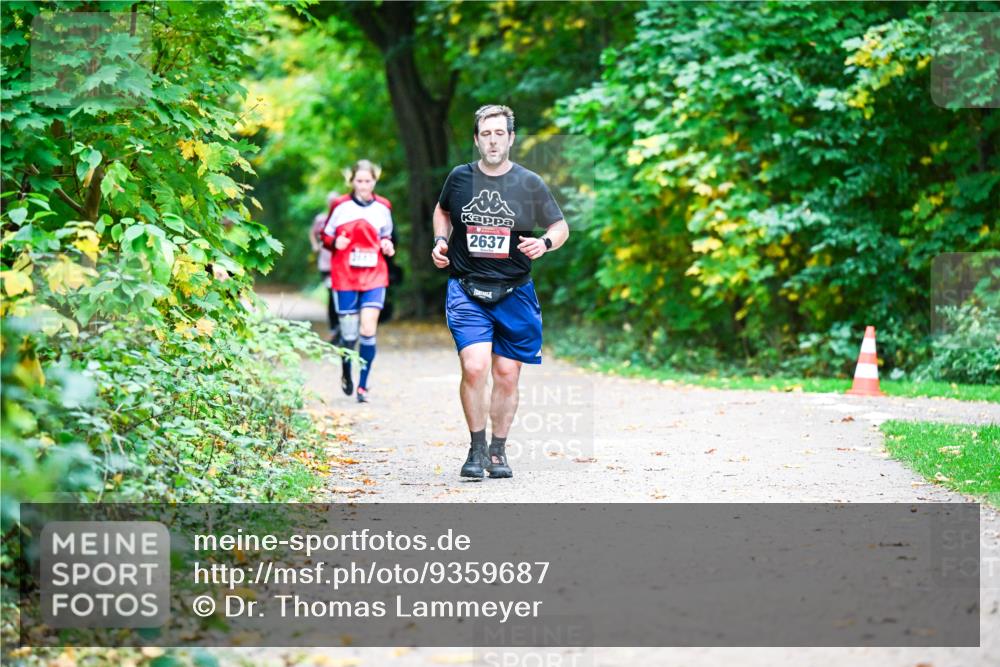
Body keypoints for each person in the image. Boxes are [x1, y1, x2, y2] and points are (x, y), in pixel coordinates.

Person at [431, 104, 569, 479]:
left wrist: (545, 244)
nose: (492, 140)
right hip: (467, 288)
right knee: (474, 367)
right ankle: (475, 450)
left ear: (510, 138)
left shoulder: (529, 183)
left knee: (506, 373)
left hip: (515, 292)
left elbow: (559, 226)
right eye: (485, 134)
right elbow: (441, 211)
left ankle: (497, 450)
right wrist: (441, 241)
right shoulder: (460, 178)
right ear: (477, 141)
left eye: (499, 133)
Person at [322, 160, 395, 403]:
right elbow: (325, 235)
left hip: (375, 274)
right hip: (345, 275)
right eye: (359, 181)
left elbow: (387, 235)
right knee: (349, 333)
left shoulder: (383, 206)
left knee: (368, 329)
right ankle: (346, 370)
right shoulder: (340, 205)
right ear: (351, 181)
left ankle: (363, 386)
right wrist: (334, 243)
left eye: (368, 181)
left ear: (375, 181)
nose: (363, 185)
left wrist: (387, 244)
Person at [310, 191, 341, 341]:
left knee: (339, 294)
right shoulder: (321, 219)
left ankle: (342, 326)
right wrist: (315, 245)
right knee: (332, 293)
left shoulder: (344, 218)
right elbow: (312, 233)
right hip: (326, 263)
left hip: (341, 264)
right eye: (331, 201)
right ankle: (334, 326)